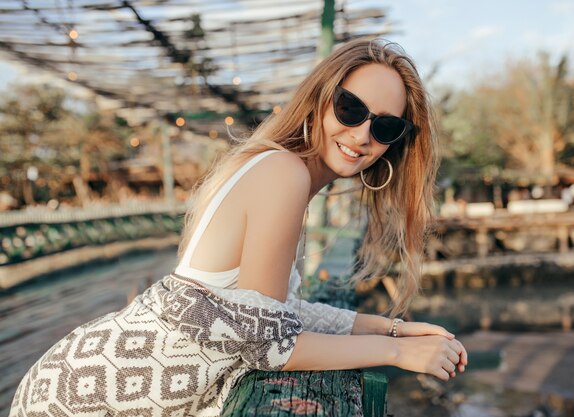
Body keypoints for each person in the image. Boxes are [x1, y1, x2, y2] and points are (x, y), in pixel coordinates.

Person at [10, 38, 468, 416]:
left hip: (94, 380)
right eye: (350, 109)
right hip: (83, 399)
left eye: (385, 127)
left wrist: (390, 330)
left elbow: (278, 314)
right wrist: (396, 354)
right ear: (320, 100)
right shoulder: (282, 173)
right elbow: (270, 344)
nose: (362, 134)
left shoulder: (285, 173)